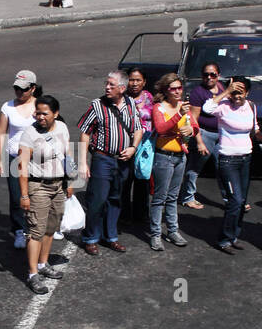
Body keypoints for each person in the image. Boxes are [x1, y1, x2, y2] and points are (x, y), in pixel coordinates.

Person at [76, 70, 144, 255]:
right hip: (103, 159)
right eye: (106, 84)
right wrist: (83, 162)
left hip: (123, 161)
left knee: (116, 199)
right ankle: (90, 237)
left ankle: (111, 236)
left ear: (122, 88)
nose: (107, 87)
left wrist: (133, 148)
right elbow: (84, 133)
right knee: (97, 200)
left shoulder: (130, 103)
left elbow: (138, 129)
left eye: (111, 85)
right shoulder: (97, 105)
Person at [18, 95, 73, 293]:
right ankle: (33, 273)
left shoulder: (62, 128)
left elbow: (67, 154)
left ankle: (43, 264)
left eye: (45, 113)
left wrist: (70, 181)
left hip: (58, 185)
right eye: (37, 112)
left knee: (51, 228)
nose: (40, 116)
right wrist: (24, 195)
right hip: (38, 187)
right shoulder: (29, 133)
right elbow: (22, 166)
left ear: (55, 114)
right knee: (36, 231)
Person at [203, 76, 259, 253]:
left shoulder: (251, 106)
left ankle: (234, 235)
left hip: (246, 158)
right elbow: (206, 108)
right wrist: (226, 91)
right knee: (234, 201)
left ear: (247, 93)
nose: (237, 96)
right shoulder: (223, 105)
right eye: (234, 91)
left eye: (240, 92)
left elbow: (254, 128)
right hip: (228, 159)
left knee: (241, 202)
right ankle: (224, 240)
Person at [148, 72, 202, 250]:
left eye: (180, 88)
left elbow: (194, 126)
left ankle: (172, 231)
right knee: (159, 198)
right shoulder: (159, 107)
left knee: (173, 197)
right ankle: (155, 234)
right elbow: (161, 129)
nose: (178, 91)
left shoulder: (183, 106)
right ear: (166, 90)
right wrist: (179, 115)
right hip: (164, 157)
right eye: (174, 89)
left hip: (180, 157)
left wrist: (191, 131)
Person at [0, 70, 39, 249]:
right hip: (15, 158)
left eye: (23, 89)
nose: (19, 92)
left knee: (38, 194)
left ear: (33, 88)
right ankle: (20, 230)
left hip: (38, 160)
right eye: (16, 89)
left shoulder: (41, 106)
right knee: (16, 197)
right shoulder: (8, 107)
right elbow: (0, 133)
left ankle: (40, 227)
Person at [181, 62, 223, 209]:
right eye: (206, 75)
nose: (209, 77)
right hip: (204, 134)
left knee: (223, 167)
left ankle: (230, 199)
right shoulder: (198, 93)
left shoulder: (221, 88)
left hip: (221, 135)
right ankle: (187, 197)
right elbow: (194, 119)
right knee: (195, 167)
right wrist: (199, 142)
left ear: (218, 75)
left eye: (213, 74)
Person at [123, 68, 155, 225]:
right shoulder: (122, 97)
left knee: (142, 178)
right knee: (125, 179)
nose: (134, 83)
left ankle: (141, 213)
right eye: (131, 79)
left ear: (144, 82)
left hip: (146, 144)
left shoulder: (149, 97)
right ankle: (123, 214)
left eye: (138, 80)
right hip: (127, 143)